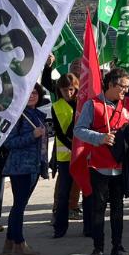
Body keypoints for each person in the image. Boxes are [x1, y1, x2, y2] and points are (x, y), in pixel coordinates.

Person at [74, 67, 129, 255]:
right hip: (99, 166)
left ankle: (118, 246)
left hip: (120, 166)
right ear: (111, 84)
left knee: (118, 209)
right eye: (122, 87)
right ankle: (97, 247)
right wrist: (100, 137)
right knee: (98, 208)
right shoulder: (93, 105)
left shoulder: (128, 105)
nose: (125, 90)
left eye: (127, 87)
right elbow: (79, 130)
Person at [2, 84, 48, 255]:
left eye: (35, 92)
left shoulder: (37, 114)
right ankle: (19, 242)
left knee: (19, 205)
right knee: (19, 205)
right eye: (28, 92)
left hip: (34, 166)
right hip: (20, 167)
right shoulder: (18, 116)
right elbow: (9, 142)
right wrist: (32, 136)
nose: (32, 95)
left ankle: (9, 240)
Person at [49, 73, 79, 238]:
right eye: (64, 90)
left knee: (86, 191)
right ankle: (59, 228)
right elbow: (59, 133)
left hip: (82, 154)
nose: (68, 93)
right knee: (63, 193)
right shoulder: (56, 106)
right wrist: (71, 146)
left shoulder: (81, 104)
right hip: (65, 156)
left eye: (71, 89)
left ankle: (88, 228)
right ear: (59, 90)